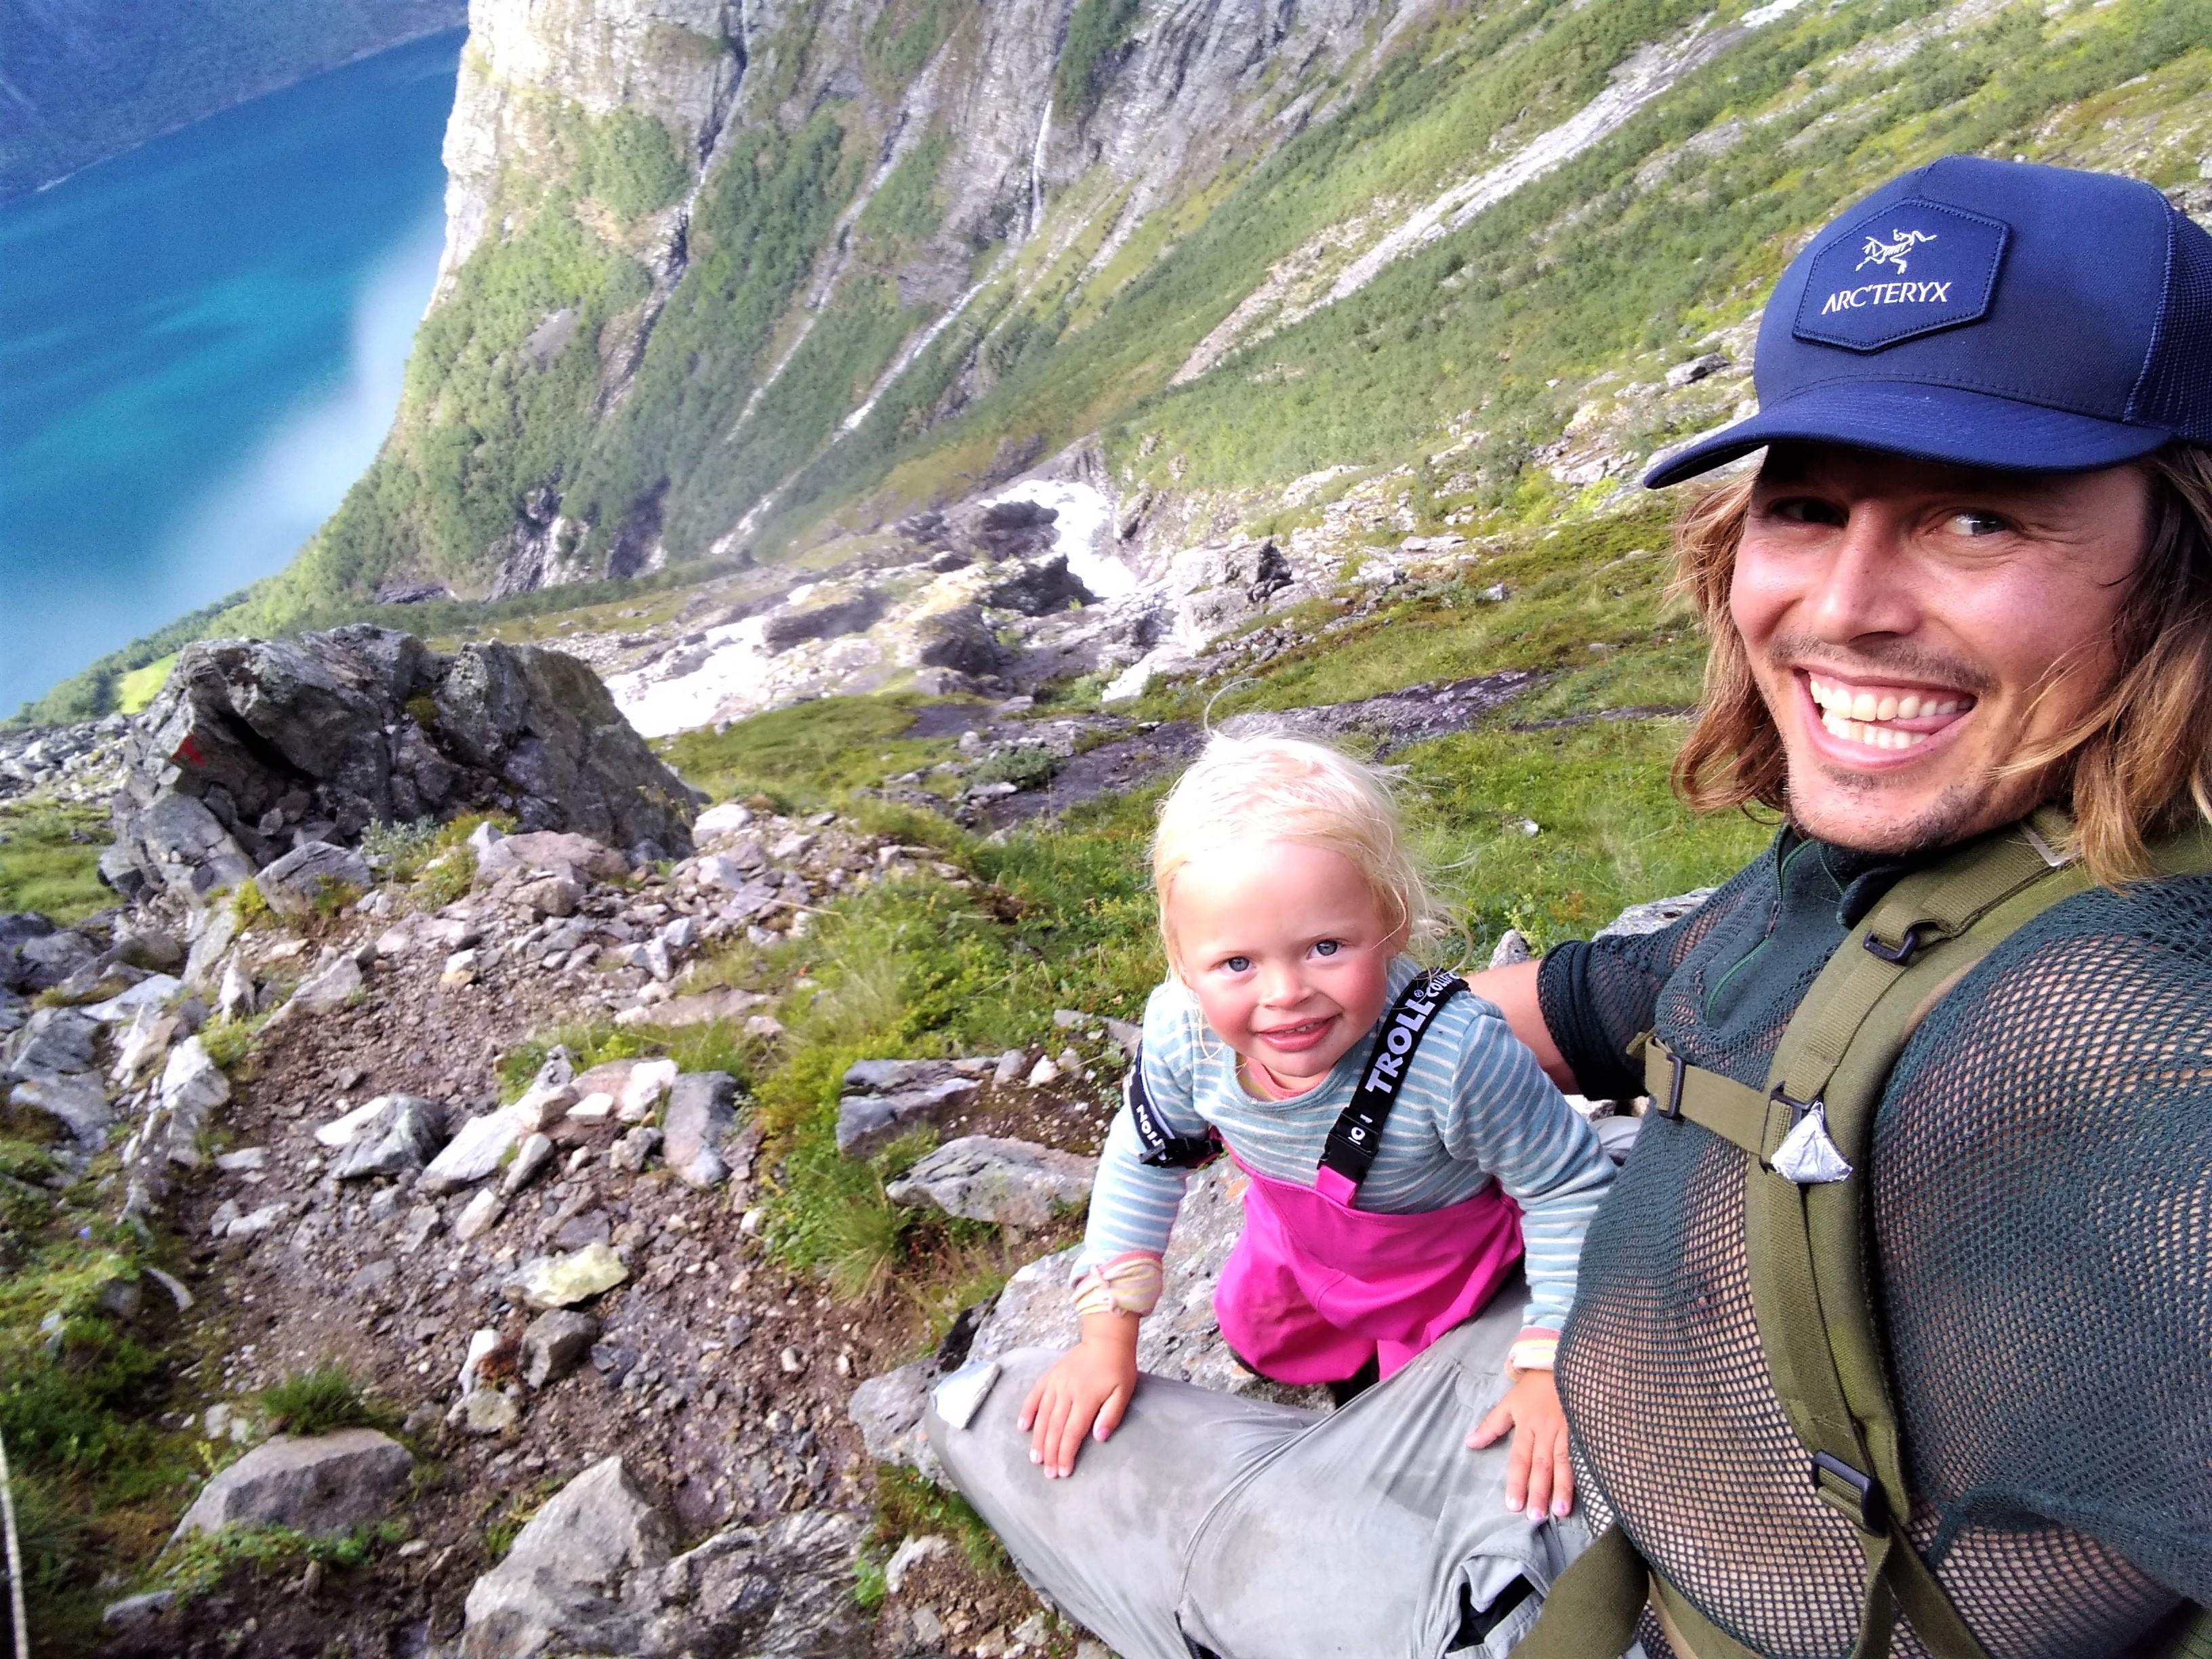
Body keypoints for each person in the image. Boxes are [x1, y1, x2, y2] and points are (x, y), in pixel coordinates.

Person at [929, 154, 2212, 1659]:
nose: (1842, 604)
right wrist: (1369, 1030)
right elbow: (1651, 986)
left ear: (2181, 550)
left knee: (1000, 1429)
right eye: (1805, 506)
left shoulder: (2137, 1035)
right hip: (1589, 1453)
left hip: (1588, 1562)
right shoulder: (1945, 852)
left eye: (1978, 520)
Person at [1017, 733, 1614, 1528]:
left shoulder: (1456, 1055)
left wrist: (1551, 1358)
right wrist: (1105, 1337)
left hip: (1439, 1277)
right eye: (1237, 963)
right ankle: (1331, 1359)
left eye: (1325, 947)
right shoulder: (1183, 1031)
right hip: (1296, 1245)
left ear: (1391, 922)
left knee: (1420, 1459)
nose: (1285, 994)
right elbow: (1145, 1155)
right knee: (1258, 1330)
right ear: (1182, 961)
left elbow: (1567, 1186)